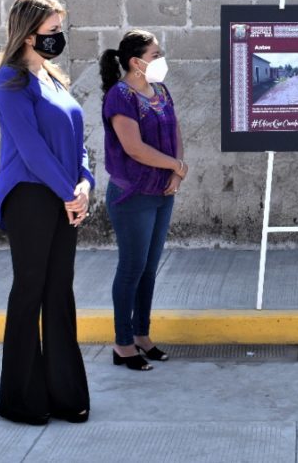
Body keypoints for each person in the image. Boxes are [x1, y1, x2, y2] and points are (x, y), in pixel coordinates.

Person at [0, 0, 93, 424]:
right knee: (30, 291)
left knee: (59, 293)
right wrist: (69, 193)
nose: (59, 37)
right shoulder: (10, 80)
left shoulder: (52, 78)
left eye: (59, 29)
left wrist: (84, 184)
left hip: (62, 194)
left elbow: (77, 143)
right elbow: (31, 149)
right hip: (30, 197)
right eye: (52, 30)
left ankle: (64, 395)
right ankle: (20, 400)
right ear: (28, 34)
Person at [98, 29, 186, 371]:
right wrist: (175, 165)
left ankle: (142, 336)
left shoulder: (160, 90)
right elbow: (134, 148)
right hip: (133, 195)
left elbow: (175, 130)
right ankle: (122, 343)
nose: (161, 59)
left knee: (149, 268)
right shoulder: (120, 96)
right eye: (155, 54)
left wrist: (177, 171)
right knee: (132, 267)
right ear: (136, 62)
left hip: (163, 192)